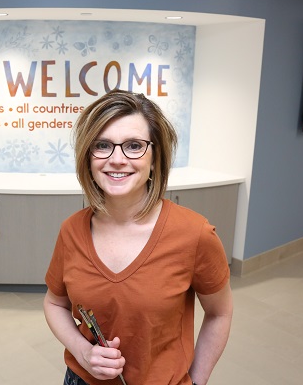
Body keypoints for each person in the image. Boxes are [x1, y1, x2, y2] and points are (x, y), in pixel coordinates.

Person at [43, 89, 233, 385]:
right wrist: (82, 352)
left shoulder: (195, 234)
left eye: (133, 145)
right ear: (88, 158)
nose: (117, 159)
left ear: (156, 158)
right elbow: (54, 303)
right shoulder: (71, 231)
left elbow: (220, 314)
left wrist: (196, 382)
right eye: (102, 145)